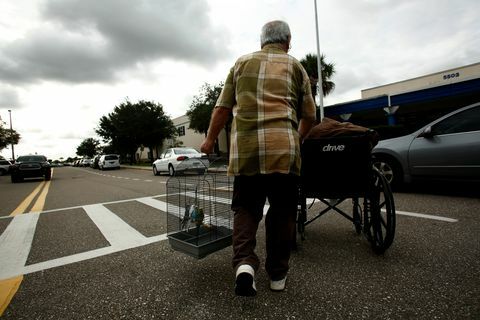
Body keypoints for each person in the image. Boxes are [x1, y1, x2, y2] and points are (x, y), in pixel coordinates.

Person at [200, 20, 316, 296]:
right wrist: (296, 139)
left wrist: (209, 140)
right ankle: (277, 275)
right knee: (283, 212)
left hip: (248, 152)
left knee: (246, 210)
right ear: (287, 41)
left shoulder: (241, 63)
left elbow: (222, 108)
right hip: (283, 152)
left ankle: (244, 265)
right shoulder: (296, 66)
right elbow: (309, 115)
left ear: (261, 41)